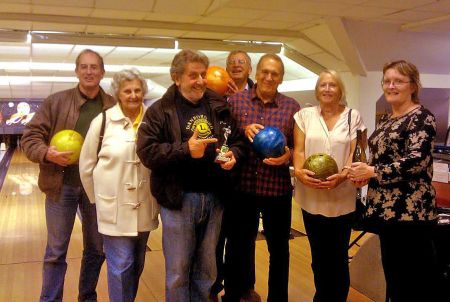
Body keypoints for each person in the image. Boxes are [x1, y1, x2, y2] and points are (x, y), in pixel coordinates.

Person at [136, 49, 246, 302]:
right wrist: (186, 150)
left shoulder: (219, 106)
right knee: (178, 270)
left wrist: (233, 156)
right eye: (192, 75)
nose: (200, 81)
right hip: (178, 199)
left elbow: (236, 140)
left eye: (202, 75)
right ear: (177, 78)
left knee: (207, 270)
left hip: (215, 197)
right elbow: (147, 151)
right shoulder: (160, 111)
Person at [21, 49, 115, 302]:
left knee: (96, 249)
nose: (89, 71)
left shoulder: (112, 106)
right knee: (56, 251)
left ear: (102, 72)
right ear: (76, 71)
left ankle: (87, 296)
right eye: (83, 67)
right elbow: (29, 137)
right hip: (61, 186)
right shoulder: (56, 101)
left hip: (97, 189)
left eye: (94, 67)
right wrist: (46, 153)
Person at [347, 60, 438, 302]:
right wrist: (362, 176)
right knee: (394, 277)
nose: (391, 85)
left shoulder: (422, 117)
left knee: (414, 280)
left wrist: (372, 171)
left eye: (398, 81)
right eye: (387, 81)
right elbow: (378, 160)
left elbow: (415, 161)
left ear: (413, 85)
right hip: (386, 213)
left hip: (411, 213)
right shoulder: (387, 119)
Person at [79, 69, 159, 302]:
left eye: (137, 90)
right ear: (118, 94)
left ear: (143, 92)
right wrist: (99, 201)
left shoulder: (153, 120)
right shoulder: (102, 121)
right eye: (127, 91)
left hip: (144, 204)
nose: (133, 95)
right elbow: (86, 166)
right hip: (112, 208)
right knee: (121, 264)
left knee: (137, 263)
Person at [225, 53, 300, 302]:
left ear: (281, 78)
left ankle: (278, 298)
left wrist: (287, 156)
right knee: (238, 245)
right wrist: (242, 129)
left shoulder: (292, 107)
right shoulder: (235, 102)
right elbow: (226, 139)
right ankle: (237, 293)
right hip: (242, 185)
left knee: (279, 249)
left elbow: (296, 148)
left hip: (276, 188)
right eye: (265, 72)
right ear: (256, 73)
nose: (269, 77)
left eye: (275, 73)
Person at [292, 70, 366, 302]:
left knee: (337, 256)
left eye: (332, 85)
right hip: (310, 195)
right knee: (319, 255)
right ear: (317, 90)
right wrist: (300, 173)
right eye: (323, 85)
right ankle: (322, 296)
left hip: (342, 197)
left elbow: (359, 153)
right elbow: (299, 150)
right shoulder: (304, 116)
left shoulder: (354, 117)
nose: (327, 89)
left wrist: (344, 175)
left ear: (340, 90)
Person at [211, 49, 254, 301]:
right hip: (217, 178)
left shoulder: (257, 95)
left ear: (250, 69)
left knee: (243, 240)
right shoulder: (214, 95)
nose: (236, 66)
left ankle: (241, 288)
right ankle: (214, 285)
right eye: (232, 63)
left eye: (241, 63)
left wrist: (240, 101)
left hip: (247, 177)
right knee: (215, 238)